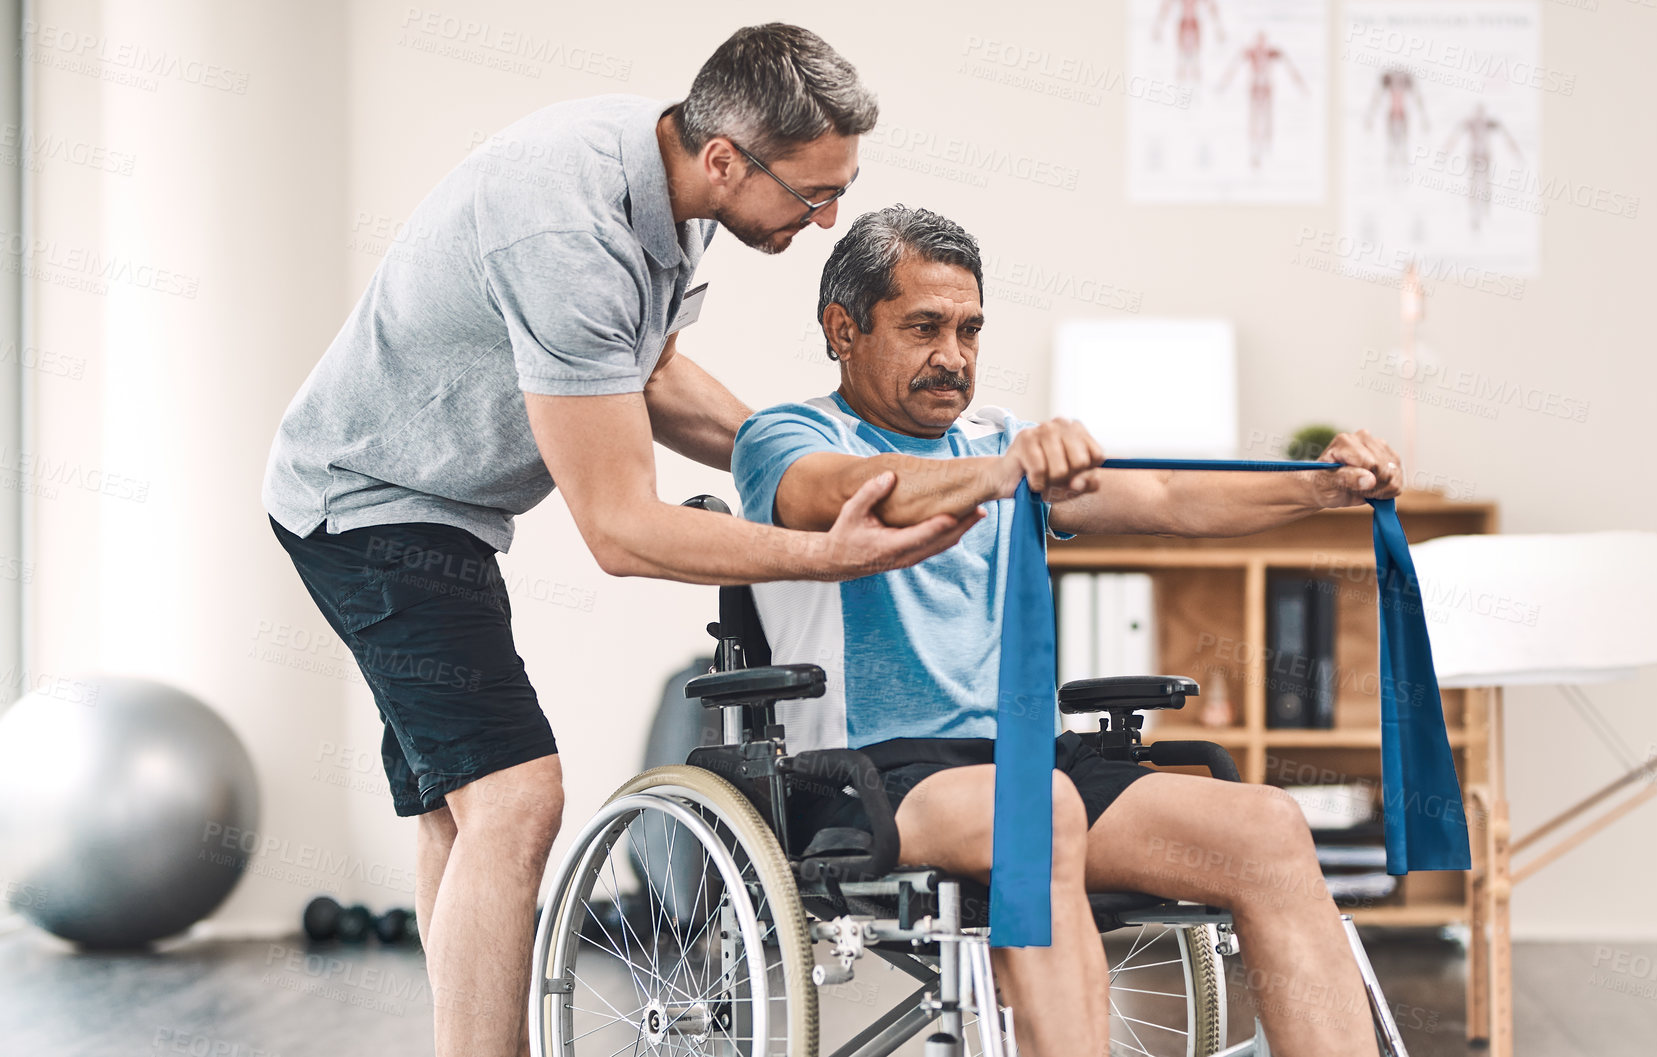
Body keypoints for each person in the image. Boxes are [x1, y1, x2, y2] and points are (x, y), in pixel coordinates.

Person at [261, 26, 977, 1057]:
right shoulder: (565, 230)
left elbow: (645, 373)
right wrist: (828, 553)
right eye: (812, 196)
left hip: (441, 504)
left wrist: (796, 458)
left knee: (464, 813)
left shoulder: (675, 192)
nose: (826, 222)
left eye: (840, 192)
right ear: (727, 157)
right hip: (371, 501)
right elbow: (622, 530)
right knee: (517, 798)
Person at [732, 205, 1405, 1056]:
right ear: (844, 328)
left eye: (970, 329)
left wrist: (1320, 487)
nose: (954, 356)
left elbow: (1162, 494)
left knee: (1267, 825)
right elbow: (850, 492)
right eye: (924, 327)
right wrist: (1003, 471)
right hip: (873, 775)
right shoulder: (785, 436)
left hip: (1031, 761)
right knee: (1039, 811)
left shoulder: (998, 437)